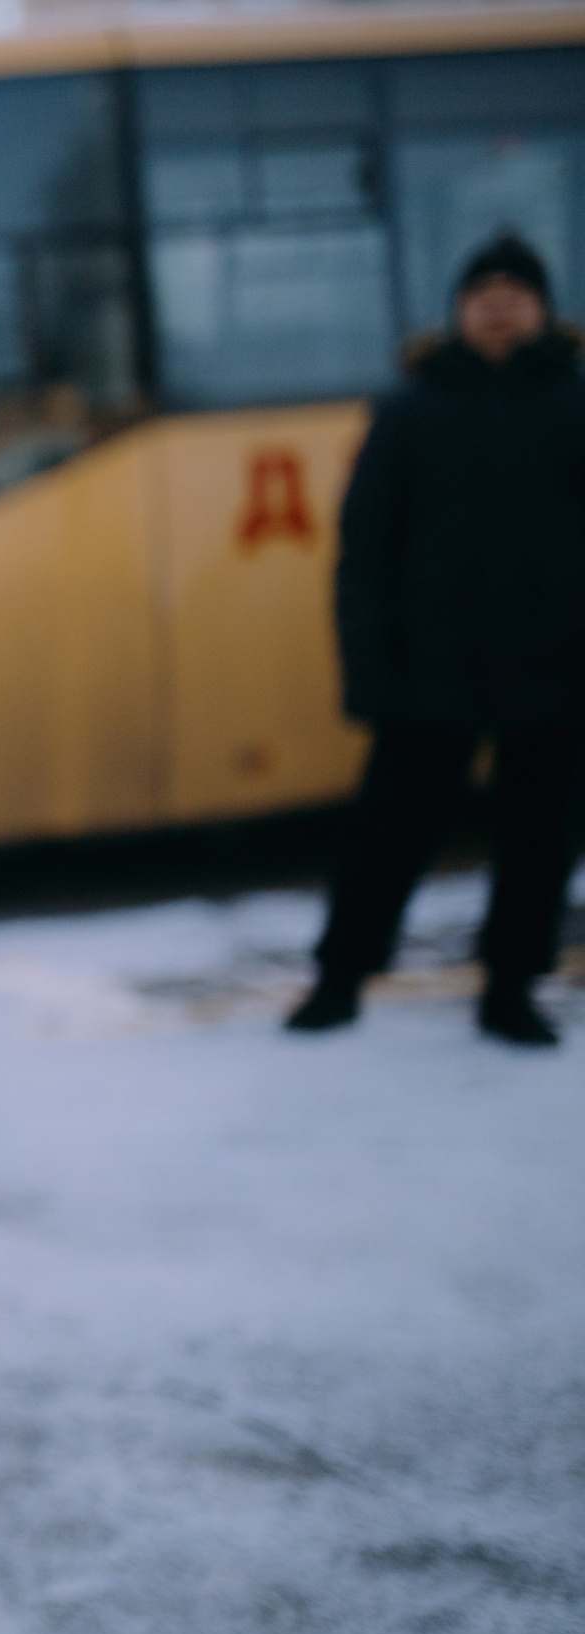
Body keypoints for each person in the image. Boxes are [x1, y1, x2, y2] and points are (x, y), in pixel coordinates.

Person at [288, 233, 585, 1047]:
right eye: (482, 295)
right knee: (388, 836)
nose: (498, 307)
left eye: (515, 294)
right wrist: (368, 673)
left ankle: (512, 989)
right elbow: (364, 554)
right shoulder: (411, 410)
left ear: (542, 309)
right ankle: (339, 979)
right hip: (430, 677)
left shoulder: (574, 402)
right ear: (459, 313)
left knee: (538, 843)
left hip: (554, 676)